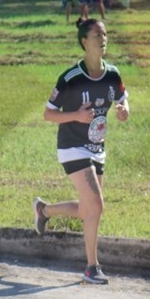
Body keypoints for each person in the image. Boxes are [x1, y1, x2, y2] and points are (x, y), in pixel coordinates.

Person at [32, 18, 130, 285]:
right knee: (97, 205)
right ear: (85, 42)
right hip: (72, 147)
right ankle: (91, 268)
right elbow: (48, 114)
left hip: (97, 149)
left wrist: (124, 110)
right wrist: (76, 115)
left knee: (89, 209)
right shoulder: (71, 78)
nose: (103, 39)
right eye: (97, 35)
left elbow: (123, 99)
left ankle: (44, 211)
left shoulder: (113, 74)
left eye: (105, 34)